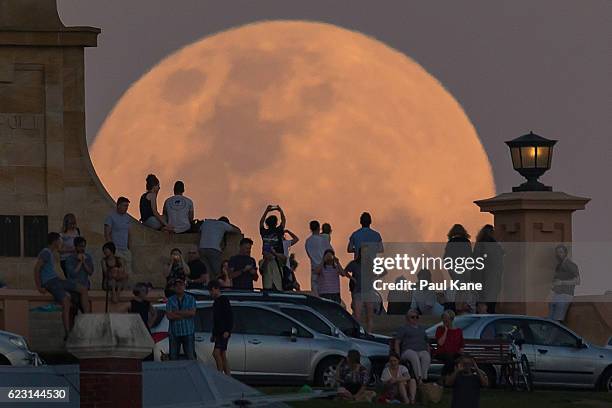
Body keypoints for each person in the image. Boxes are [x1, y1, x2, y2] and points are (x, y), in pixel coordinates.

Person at [34, 233, 90, 340]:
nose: (61, 242)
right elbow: (36, 269)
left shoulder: (50, 253)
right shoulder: (45, 252)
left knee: (83, 289)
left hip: (56, 280)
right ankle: (67, 332)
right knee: (66, 301)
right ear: (55, 241)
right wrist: (39, 287)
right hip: (50, 282)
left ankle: (87, 319)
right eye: (59, 240)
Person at [472, 224, 504, 313]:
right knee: (491, 305)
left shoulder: (480, 245)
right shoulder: (496, 246)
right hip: (494, 279)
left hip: (482, 279)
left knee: (481, 305)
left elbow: (476, 263)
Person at [394, 309, 431, 383]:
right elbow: (397, 342)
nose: (415, 319)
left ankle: (424, 378)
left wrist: (429, 352)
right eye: (412, 317)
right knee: (413, 355)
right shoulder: (403, 328)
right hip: (407, 351)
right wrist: (397, 355)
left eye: (417, 317)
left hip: (421, 350)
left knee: (426, 355)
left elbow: (427, 343)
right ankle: (419, 379)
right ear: (407, 318)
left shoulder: (422, 329)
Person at [199, 216, 240, 281]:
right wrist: (229, 225)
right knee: (217, 272)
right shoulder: (223, 224)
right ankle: (217, 287)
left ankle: (206, 287)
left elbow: (200, 229)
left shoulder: (206, 222)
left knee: (206, 271)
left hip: (202, 248)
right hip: (214, 249)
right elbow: (238, 230)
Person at [443, 224, 473, 311]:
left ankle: (457, 308)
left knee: (459, 289)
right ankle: (461, 308)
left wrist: (450, 269)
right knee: (463, 289)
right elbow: (469, 257)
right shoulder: (466, 242)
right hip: (465, 269)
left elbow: (445, 258)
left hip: (454, 269)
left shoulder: (450, 243)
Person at [548, 245, 580, 322]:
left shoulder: (571, 265)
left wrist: (562, 282)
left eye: (561, 252)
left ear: (566, 253)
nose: (558, 254)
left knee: (556, 321)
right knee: (550, 321)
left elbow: (577, 281)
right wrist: (551, 291)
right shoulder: (558, 266)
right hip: (555, 295)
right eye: (557, 253)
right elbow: (555, 281)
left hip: (565, 295)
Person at [166, 279, 196, 360]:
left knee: (190, 357)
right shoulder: (170, 300)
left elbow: (192, 313)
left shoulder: (191, 298)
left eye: (181, 285)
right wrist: (185, 314)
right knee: (173, 358)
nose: (179, 287)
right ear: (174, 288)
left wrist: (176, 312)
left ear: (184, 286)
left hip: (188, 331)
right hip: (174, 333)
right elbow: (169, 316)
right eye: (177, 285)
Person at [345, 252, 375, 332]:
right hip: (358, 291)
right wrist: (352, 278)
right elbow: (345, 271)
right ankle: (358, 332)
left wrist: (374, 277)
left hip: (368, 291)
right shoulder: (354, 264)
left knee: (369, 315)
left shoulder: (370, 263)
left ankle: (369, 333)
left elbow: (383, 271)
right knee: (357, 315)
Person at [209, 280, 233, 375]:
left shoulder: (223, 300)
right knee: (222, 354)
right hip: (218, 332)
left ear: (216, 289)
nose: (210, 293)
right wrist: (214, 334)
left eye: (211, 291)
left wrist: (228, 330)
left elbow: (229, 316)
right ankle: (228, 375)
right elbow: (216, 320)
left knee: (216, 353)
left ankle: (220, 373)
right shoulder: (216, 302)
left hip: (224, 332)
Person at [104, 196, 133, 275]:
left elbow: (129, 233)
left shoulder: (127, 218)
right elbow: (107, 234)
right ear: (119, 205)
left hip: (125, 250)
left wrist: (129, 248)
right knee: (118, 272)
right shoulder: (111, 217)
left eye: (127, 206)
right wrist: (112, 250)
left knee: (127, 273)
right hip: (116, 250)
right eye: (124, 205)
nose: (126, 208)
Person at [305, 220, 332, 295]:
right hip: (324, 269)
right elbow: (330, 254)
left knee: (315, 294)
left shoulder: (308, 241)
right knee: (325, 294)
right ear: (319, 228)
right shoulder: (322, 240)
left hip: (314, 268)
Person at [435, 310, 465, 378]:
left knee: (457, 359)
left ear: (451, 319)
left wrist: (461, 350)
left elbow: (461, 344)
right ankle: (446, 378)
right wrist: (446, 330)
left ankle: (446, 378)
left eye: (446, 318)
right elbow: (440, 343)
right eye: (443, 318)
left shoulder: (458, 331)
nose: (444, 320)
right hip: (442, 353)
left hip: (455, 353)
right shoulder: (439, 329)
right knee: (450, 358)